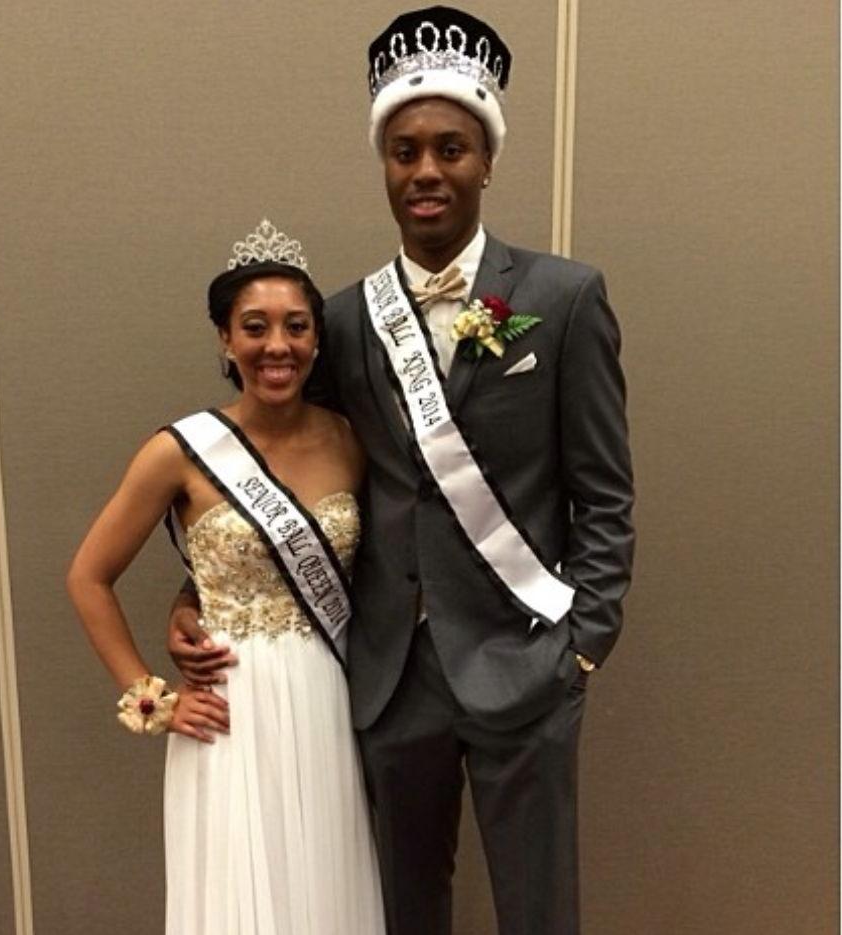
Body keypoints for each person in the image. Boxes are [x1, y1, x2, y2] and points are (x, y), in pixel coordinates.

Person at [170, 8, 635, 935]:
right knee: (400, 911)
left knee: (539, 912)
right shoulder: (338, 320)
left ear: (486, 158)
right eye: (405, 149)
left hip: (525, 659)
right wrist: (196, 596)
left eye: (450, 147)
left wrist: (580, 643)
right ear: (384, 163)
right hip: (388, 674)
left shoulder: (562, 297)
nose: (426, 170)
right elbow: (288, 463)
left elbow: (605, 492)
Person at [67, 222, 384, 935]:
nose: (278, 345)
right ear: (224, 338)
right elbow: (89, 576)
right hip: (228, 709)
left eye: (296, 326)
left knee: (323, 885)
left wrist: (184, 598)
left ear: (315, 339)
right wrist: (150, 697)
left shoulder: (350, 440)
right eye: (255, 326)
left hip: (328, 696)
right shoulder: (179, 450)